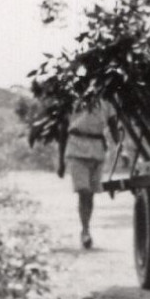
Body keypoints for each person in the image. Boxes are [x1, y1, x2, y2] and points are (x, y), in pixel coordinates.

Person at [58, 101, 109, 249]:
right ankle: (85, 230)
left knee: (90, 194)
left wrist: (121, 148)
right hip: (76, 150)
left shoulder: (106, 101)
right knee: (84, 191)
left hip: (97, 151)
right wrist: (61, 161)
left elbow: (113, 123)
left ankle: (86, 227)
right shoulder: (71, 100)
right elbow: (63, 131)